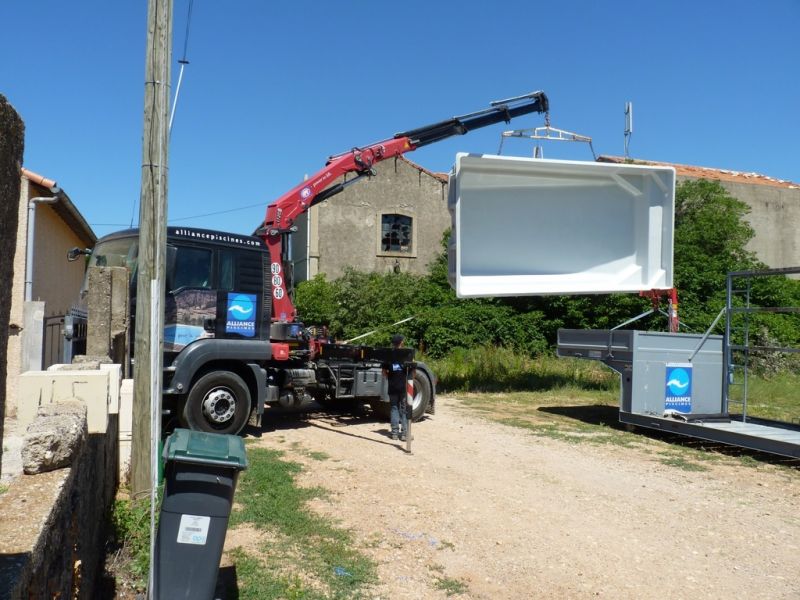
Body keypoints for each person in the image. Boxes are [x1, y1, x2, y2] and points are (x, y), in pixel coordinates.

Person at [383, 334, 412, 441]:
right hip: (403, 387)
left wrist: (391, 377)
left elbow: (384, 372)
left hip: (392, 387)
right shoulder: (406, 354)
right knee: (403, 410)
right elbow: (412, 372)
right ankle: (404, 434)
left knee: (394, 408)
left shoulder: (388, 355)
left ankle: (394, 433)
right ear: (401, 343)